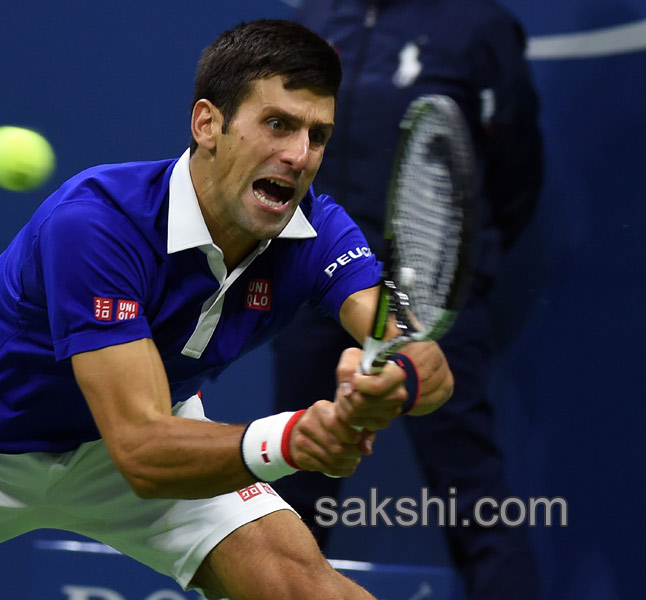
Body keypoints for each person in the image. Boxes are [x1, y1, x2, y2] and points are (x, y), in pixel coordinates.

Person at [0, 20, 455, 600]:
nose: (300, 154)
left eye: (317, 134)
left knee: (307, 589)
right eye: (278, 124)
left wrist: (393, 376)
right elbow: (143, 451)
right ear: (208, 124)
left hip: (142, 445)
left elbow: (414, 348)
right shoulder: (96, 222)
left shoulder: (317, 228)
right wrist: (293, 439)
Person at [270, 2, 544, 599]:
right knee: (292, 492)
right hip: (314, 287)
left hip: (425, 299)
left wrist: (456, 270)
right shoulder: (315, 16)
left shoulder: (477, 26)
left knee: (473, 497)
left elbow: (515, 169)